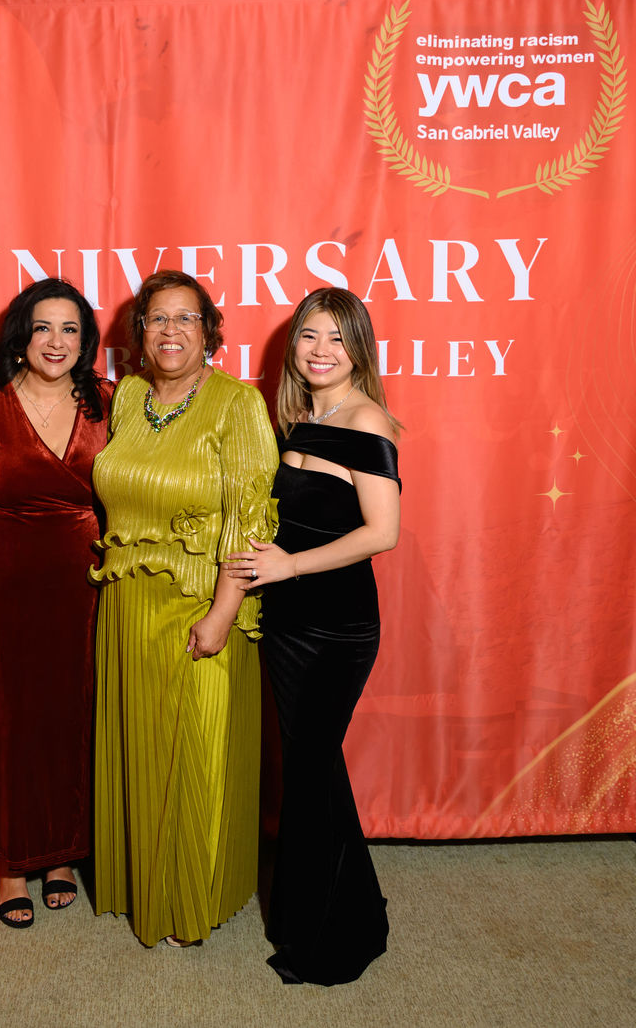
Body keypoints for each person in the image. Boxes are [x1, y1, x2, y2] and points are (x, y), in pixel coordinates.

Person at [89, 269, 279, 947]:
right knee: (140, 750)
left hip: (202, 601)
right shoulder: (128, 396)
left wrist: (223, 612)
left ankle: (188, 901)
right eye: (158, 318)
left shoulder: (237, 404)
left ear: (210, 332)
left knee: (196, 754)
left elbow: (250, 521)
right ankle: (140, 884)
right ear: (140, 333)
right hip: (126, 601)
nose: (171, 331)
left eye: (186, 318)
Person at [226, 287, 402, 984]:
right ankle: (346, 913)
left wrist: (291, 565)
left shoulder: (367, 420)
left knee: (308, 773)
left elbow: (382, 533)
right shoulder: (300, 419)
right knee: (313, 772)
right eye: (309, 336)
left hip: (337, 627)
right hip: (287, 621)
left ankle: (329, 942)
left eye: (337, 337)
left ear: (359, 348)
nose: (321, 350)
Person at [0, 278, 112, 927]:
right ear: (21, 336)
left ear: (85, 341)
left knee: (74, 711)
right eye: (43, 327)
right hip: (7, 575)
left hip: (86, 578)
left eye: (70, 329)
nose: (56, 341)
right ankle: (12, 861)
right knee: (11, 717)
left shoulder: (107, 401)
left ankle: (63, 854)